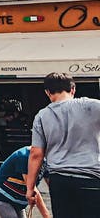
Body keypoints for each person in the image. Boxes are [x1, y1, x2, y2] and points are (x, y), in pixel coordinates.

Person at [27, 71, 100, 218]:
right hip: (91, 179)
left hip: (60, 181)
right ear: (73, 89)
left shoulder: (41, 116)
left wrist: (30, 188)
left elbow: (36, 154)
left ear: (47, 92)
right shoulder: (93, 106)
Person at [0, 146, 51, 218]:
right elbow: (32, 188)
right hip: (1, 195)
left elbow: (52, 186)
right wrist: (46, 215)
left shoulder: (46, 161)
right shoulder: (24, 156)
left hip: (18, 200)